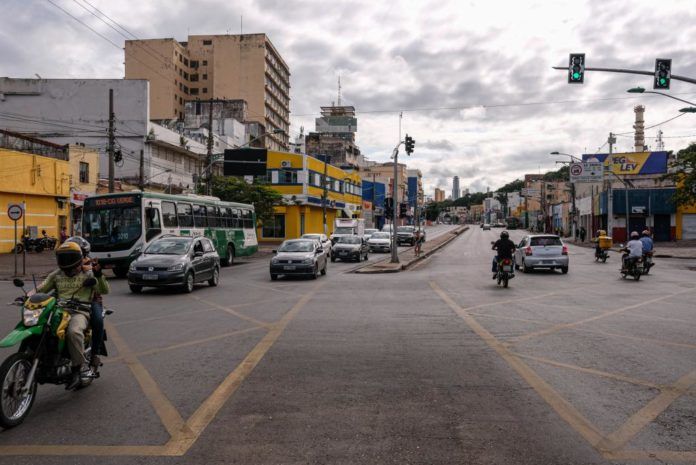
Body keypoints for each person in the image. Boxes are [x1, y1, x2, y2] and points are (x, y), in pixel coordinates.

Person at [35, 241, 110, 390]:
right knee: (42, 328)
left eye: (70, 258)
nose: (66, 262)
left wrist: (98, 274)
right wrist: (27, 296)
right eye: (63, 258)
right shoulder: (56, 275)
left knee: (74, 332)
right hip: (58, 310)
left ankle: (77, 370)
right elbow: (41, 288)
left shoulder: (88, 273)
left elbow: (104, 290)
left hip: (79, 311)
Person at [65, 236, 105, 370]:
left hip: (90, 300)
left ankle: (95, 353)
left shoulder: (92, 265)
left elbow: (103, 288)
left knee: (98, 320)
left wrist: (94, 271)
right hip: (67, 300)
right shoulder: (65, 265)